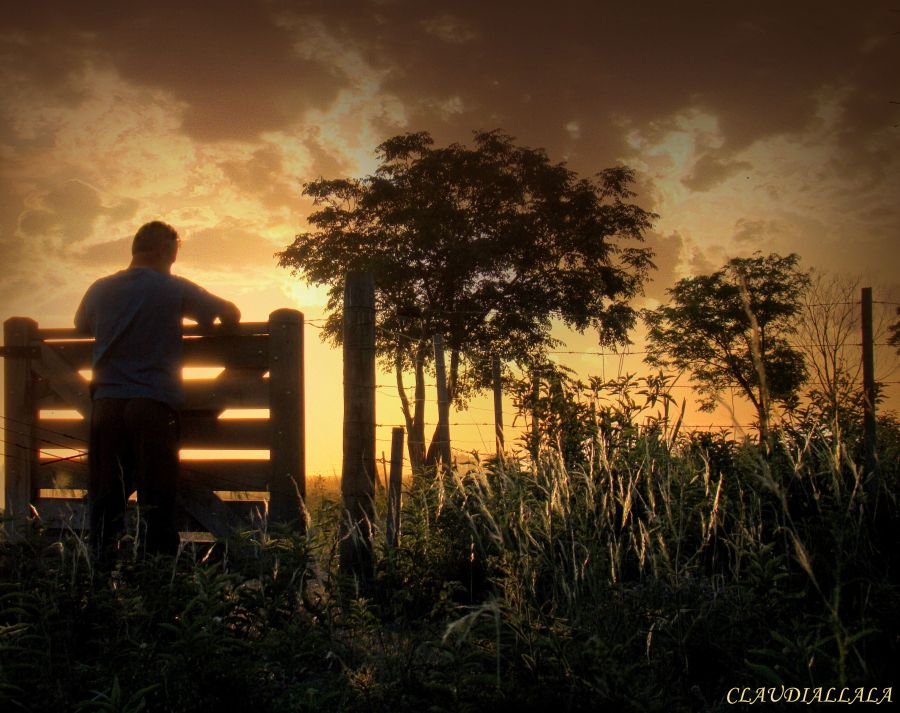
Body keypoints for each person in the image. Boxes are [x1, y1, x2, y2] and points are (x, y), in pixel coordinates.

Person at [74, 221, 240, 558]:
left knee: (106, 499)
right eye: (174, 252)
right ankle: (158, 579)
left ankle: (100, 578)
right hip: (152, 405)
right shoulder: (173, 287)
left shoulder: (99, 288)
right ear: (166, 251)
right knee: (157, 500)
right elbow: (230, 313)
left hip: (106, 406)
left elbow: (81, 325)